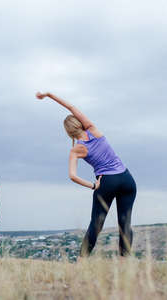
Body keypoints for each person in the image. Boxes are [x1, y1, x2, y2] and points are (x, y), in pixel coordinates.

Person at [36, 92, 137, 257]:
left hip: (107, 181)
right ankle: (125, 262)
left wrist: (93, 185)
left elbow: (72, 176)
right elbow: (71, 107)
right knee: (125, 224)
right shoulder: (93, 129)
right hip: (127, 179)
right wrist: (48, 95)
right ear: (79, 123)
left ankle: (82, 261)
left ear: (68, 132)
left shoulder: (76, 149)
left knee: (96, 224)